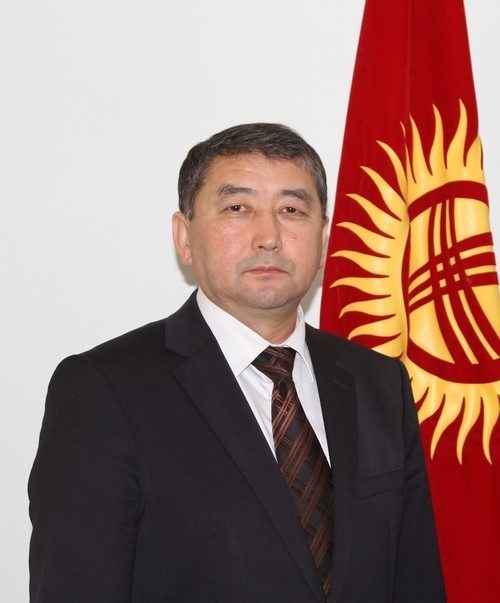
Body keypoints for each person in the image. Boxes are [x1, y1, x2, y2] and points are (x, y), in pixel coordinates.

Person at [28, 123, 446, 602]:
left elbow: (415, 581)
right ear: (184, 237)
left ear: (323, 238)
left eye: (291, 210)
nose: (268, 237)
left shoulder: (378, 382)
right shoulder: (104, 390)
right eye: (237, 208)